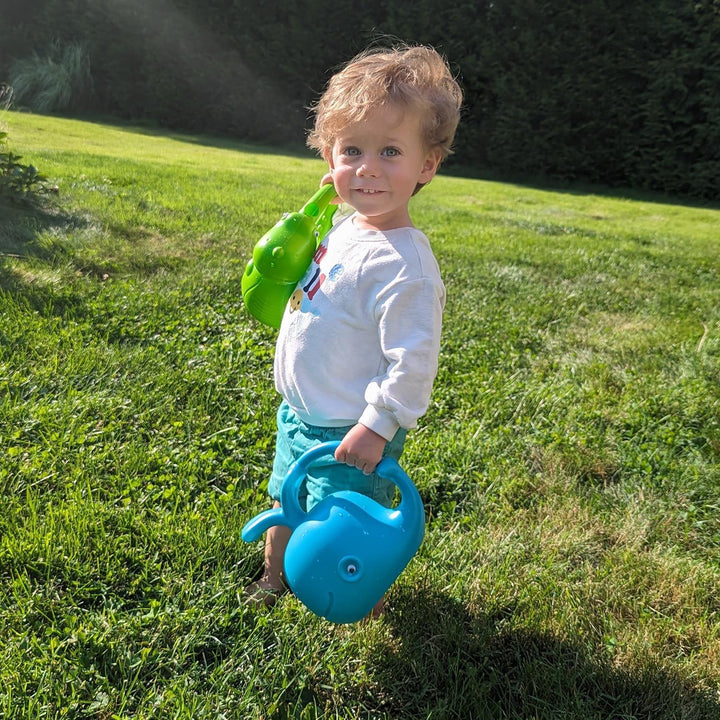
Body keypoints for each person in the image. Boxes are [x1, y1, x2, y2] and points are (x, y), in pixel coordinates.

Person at [246, 44, 463, 616]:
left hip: (350, 429)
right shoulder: (345, 226)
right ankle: (273, 580)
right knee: (286, 496)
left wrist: (378, 425)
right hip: (301, 414)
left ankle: (350, 601)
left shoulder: (405, 266)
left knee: (344, 523)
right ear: (328, 156)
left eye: (390, 151)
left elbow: (412, 364)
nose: (367, 168)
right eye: (352, 150)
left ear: (427, 165)